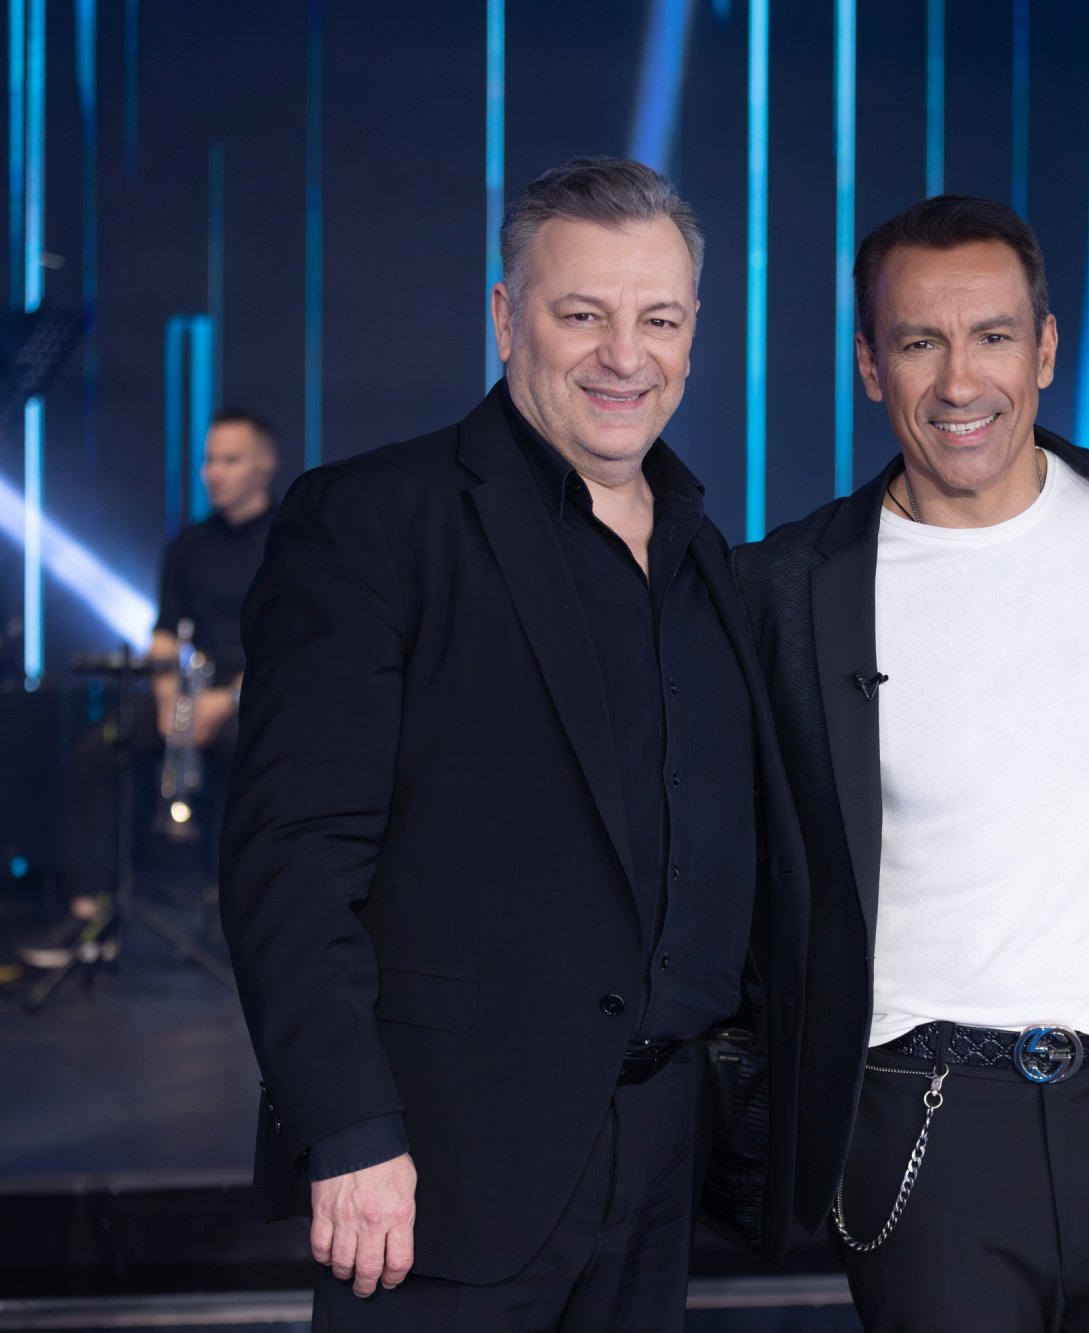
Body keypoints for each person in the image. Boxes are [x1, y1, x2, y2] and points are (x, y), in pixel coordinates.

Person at [220, 156, 806, 1329]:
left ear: (694, 333)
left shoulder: (707, 555)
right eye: (581, 314)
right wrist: (350, 1128)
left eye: (657, 320)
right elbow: (291, 856)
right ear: (504, 316)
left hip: (662, 1151)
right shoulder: (374, 521)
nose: (624, 356)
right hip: (441, 1162)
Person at [732, 196, 1089, 1330]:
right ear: (870, 364)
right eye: (920, 341)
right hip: (924, 1122)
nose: (960, 381)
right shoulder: (787, 588)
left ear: (1046, 349)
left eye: (994, 336)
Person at [19, 409, 277, 970]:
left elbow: (292, 641)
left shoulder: (291, 539)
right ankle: (92, 915)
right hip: (185, 695)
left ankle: (243, 917)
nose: (214, 472)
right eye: (209, 459)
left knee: (255, 757)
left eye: (230, 460)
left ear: (264, 465)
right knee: (94, 754)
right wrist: (169, 700)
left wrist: (226, 699)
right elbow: (163, 636)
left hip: (254, 697)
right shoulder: (188, 546)